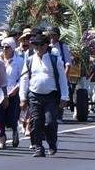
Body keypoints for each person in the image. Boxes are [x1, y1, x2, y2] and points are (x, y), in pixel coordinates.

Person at [19, 29, 69, 157]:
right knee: (36, 122)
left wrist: (64, 96)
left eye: (41, 45)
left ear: (47, 45)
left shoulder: (55, 60)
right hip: (34, 95)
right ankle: (38, 147)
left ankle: (52, 143)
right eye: (36, 45)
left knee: (50, 122)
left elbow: (62, 79)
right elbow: (24, 79)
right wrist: (23, 98)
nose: (39, 48)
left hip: (51, 96)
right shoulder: (30, 60)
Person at [0, 36, 25, 149]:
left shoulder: (19, 61)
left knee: (12, 117)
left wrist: (17, 88)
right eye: (3, 47)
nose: (4, 49)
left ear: (13, 48)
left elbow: (23, 78)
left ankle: (15, 131)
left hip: (13, 92)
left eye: (7, 47)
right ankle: (2, 139)